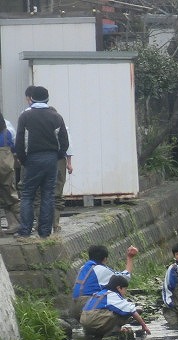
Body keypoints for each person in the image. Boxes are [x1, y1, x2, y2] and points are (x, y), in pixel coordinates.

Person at [14, 86, 69, 239]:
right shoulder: (56, 116)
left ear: (32, 98)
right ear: (47, 98)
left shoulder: (25, 116)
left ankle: (25, 230)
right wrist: (57, 155)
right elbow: (64, 141)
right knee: (48, 195)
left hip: (32, 158)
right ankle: (45, 232)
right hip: (51, 158)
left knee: (27, 195)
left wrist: (23, 159)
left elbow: (20, 141)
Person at [70, 244, 138, 320]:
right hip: (87, 306)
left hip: (75, 306)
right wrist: (130, 257)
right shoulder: (100, 269)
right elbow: (124, 277)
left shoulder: (83, 267)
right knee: (119, 306)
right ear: (105, 259)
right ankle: (114, 329)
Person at [80, 275, 150, 338]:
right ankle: (114, 331)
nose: (125, 292)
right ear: (119, 288)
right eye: (125, 289)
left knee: (115, 310)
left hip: (85, 323)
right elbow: (131, 310)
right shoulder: (112, 295)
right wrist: (144, 326)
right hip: (94, 321)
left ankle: (96, 333)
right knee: (122, 313)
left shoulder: (100, 293)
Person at [0, 113, 20, 235]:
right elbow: (14, 149)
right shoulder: (7, 133)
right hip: (6, 170)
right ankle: (21, 223)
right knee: (11, 196)